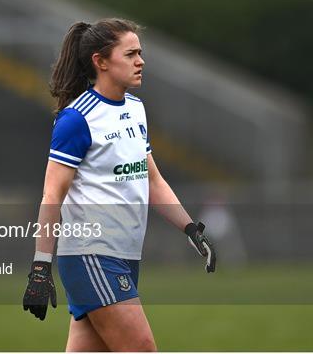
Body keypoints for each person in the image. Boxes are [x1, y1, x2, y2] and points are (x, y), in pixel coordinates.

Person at [22, 18, 216, 352]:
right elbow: (52, 194)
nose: (141, 61)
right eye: (130, 54)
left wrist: (190, 229)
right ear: (101, 62)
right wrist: (40, 268)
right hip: (91, 255)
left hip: (124, 256)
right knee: (142, 348)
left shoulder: (136, 110)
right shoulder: (77, 119)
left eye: (140, 53)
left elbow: (152, 180)